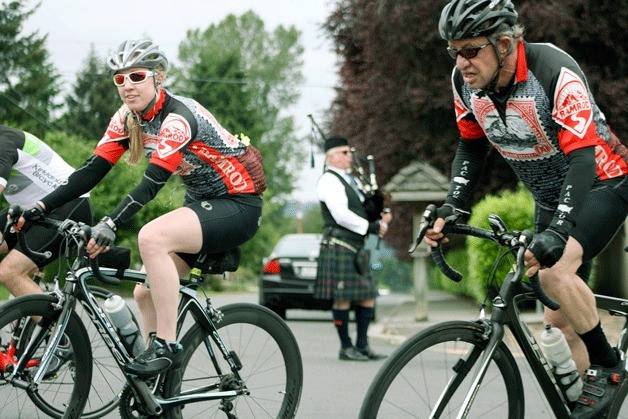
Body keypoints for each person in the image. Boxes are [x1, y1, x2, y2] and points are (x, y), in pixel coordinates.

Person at [427, 0, 628, 416]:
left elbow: (582, 159)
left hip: (603, 182)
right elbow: (470, 145)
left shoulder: (553, 70)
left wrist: (559, 229)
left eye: (470, 50)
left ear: (504, 44)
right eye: (454, 51)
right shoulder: (464, 83)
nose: (461, 61)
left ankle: (608, 365)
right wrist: (454, 205)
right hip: (549, 196)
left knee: (556, 273)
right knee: (560, 321)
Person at [21, 39, 266, 377]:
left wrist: (110, 222)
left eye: (136, 76)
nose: (127, 86)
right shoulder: (127, 118)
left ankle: (166, 345)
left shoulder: (178, 118)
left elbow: (152, 183)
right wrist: (39, 206)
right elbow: (91, 172)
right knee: (144, 292)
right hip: (202, 203)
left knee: (151, 238)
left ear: (158, 78)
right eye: (119, 79)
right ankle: (156, 383)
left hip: (239, 204)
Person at [314, 136, 393, 361]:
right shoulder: (329, 181)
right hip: (339, 244)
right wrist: (372, 226)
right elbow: (341, 215)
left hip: (356, 246)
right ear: (332, 156)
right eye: (345, 152)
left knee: (367, 297)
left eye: (350, 152)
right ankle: (346, 346)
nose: (350, 156)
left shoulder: (352, 181)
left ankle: (362, 345)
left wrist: (378, 212)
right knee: (343, 299)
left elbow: (359, 211)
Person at [0, 124, 92, 297]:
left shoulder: (4, 143)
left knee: (9, 272)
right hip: (30, 210)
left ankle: (62, 324)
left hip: (68, 207)